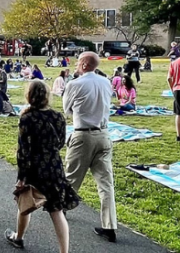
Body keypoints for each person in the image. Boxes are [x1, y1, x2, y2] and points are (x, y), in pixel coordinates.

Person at [5, 81, 79, 253]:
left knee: (25, 204)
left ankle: (19, 237)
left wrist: (22, 176)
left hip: (33, 168)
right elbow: (60, 142)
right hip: (54, 166)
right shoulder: (58, 117)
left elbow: (23, 150)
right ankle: (64, 251)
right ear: (47, 95)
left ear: (29, 95)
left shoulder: (26, 118)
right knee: (57, 211)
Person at [63, 52, 117, 242]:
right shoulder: (106, 82)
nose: (77, 64)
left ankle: (62, 211)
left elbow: (67, 110)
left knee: (71, 177)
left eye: (79, 61)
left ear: (85, 65)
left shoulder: (74, 84)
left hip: (83, 134)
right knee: (106, 183)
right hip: (103, 134)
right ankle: (109, 226)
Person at [168, 43, 180, 142]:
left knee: (178, 113)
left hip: (176, 89)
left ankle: (178, 136)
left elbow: (169, 78)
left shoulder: (174, 62)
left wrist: (172, 89)